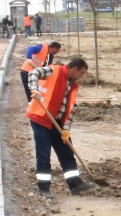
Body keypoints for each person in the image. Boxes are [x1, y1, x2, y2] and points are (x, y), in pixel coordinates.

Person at [26, 57, 93, 198]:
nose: (81, 76)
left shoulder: (72, 85)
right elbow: (33, 73)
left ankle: (75, 184)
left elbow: (70, 109)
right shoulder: (54, 71)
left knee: (66, 151)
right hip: (41, 118)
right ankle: (44, 187)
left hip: (57, 122)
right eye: (81, 72)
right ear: (74, 69)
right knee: (44, 154)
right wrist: (34, 89)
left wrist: (66, 129)